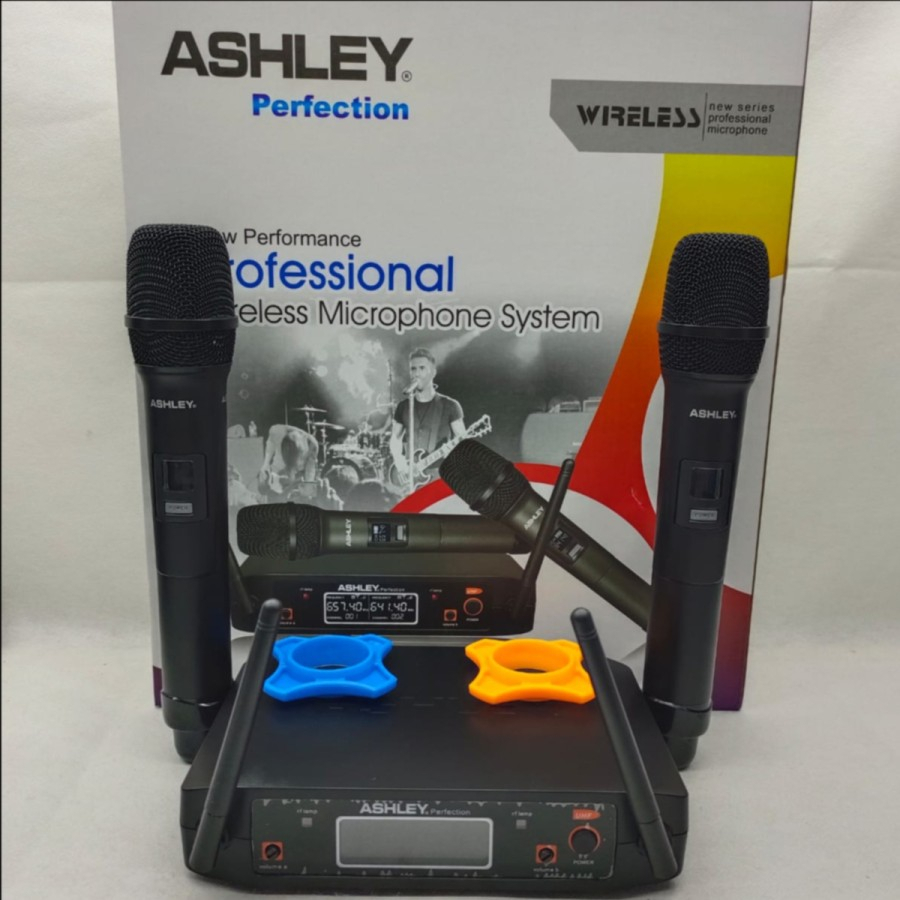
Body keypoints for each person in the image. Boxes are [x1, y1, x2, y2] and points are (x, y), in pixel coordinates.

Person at [389, 348, 466, 489]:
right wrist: (401, 465)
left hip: (440, 477)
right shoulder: (403, 406)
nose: (416, 373)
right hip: (411, 478)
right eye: (413, 369)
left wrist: (452, 453)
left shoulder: (450, 406)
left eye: (422, 368)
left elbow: (465, 443)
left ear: (433, 372)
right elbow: (395, 440)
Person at [258, 423, 319, 500]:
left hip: (300, 469)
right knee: (266, 487)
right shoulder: (276, 432)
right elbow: (270, 442)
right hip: (278, 473)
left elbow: (308, 489)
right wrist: (265, 464)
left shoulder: (313, 446)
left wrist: (306, 491)